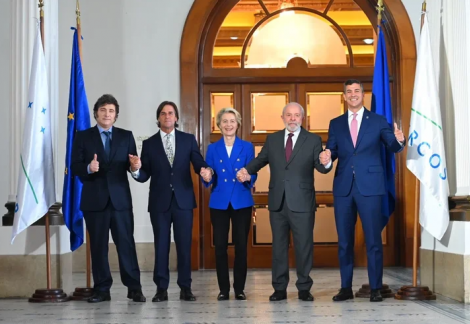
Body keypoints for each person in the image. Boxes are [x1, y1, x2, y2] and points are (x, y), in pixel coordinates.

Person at [237, 102, 332, 302]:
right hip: (278, 202)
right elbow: (261, 159)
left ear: (302, 118)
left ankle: (304, 288)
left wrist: (326, 161)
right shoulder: (272, 139)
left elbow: (322, 168)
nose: (292, 119)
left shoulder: (313, 140)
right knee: (278, 247)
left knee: (303, 246)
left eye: (296, 115)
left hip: (303, 203)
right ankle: (279, 288)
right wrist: (247, 170)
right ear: (282, 117)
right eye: (289, 115)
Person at [324, 79, 405, 303]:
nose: (353, 95)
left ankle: (376, 288)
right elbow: (331, 151)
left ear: (363, 94)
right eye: (348, 92)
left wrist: (400, 141)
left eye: (356, 91)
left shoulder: (378, 120)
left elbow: (392, 145)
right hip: (343, 189)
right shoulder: (336, 123)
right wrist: (326, 158)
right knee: (344, 242)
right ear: (344, 95)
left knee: (373, 240)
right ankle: (345, 288)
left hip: (371, 187)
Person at [130, 101, 213, 302]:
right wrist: (135, 169)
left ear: (176, 118)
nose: (167, 116)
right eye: (163, 113)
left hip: (183, 201)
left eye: (171, 113)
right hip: (160, 203)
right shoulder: (149, 144)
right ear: (158, 118)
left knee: (184, 245)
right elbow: (144, 174)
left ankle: (186, 288)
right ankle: (161, 289)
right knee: (161, 245)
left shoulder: (188, 139)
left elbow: (198, 161)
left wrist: (205, 171)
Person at [71, 94, 145, 303]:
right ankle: (102, 289)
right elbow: (74, 166)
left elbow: (133, 164)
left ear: (116, 115)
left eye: (111, 110)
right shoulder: (83, 137)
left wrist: (135, 167)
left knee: (126, 244)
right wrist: (88, 167)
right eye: (103, 110)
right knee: (98, 246)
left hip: (120, 201)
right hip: (95, 202)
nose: (107, 114)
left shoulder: (126, 136)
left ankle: (134, 288)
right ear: (96, 113)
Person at [203, 108, 257, 301]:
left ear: (238, 124)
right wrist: (207, 175)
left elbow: (253, 171)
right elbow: (208, 173)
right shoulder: (212, 148)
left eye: (232, 121)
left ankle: (240, 289)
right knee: (220, 247)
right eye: (224, 121)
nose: (228, 125)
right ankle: (223, 289)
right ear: (219, 125)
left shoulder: (247, 146)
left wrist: (249, 176)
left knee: (241, 246)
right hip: (219, 202)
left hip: (241, 200)